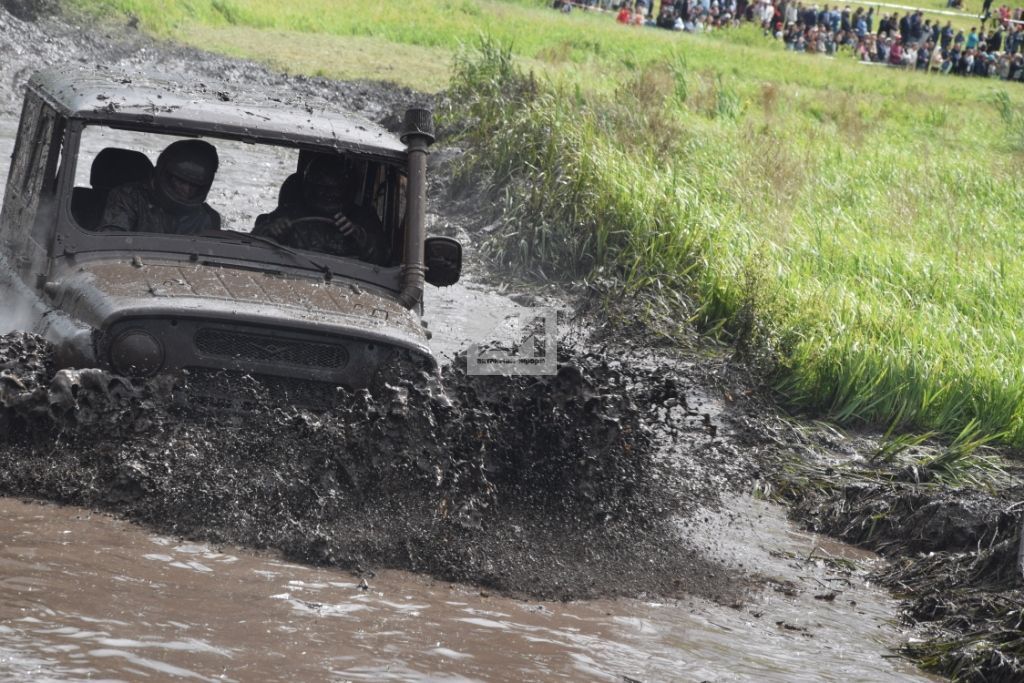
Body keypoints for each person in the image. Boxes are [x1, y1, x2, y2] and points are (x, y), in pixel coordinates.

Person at [253, 154, 385, 263]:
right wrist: (272, 232)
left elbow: (384, 259)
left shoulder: (364, 218)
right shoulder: (288, 214)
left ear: (348, 190)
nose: (327, 194)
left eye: (335, 189)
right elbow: (251, 244)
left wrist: (360, 237)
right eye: (320, 187)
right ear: (309, 188)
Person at [100, 139, 220, 235]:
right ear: (166, 175)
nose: (187, 190)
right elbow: (111, 243)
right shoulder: (129, 198)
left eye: (194, 185)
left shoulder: (207, 218)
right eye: (181, 182)